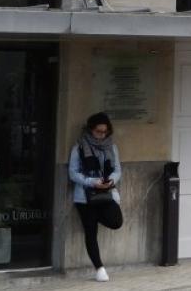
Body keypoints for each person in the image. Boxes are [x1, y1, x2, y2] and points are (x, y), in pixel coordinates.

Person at [70, 112, 124, 282]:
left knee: (116, 221)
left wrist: (110, 181)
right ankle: (99, 268)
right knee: (90, 232)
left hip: (106, 194)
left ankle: (93, 217)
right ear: (90, 130)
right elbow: (73, 173)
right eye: (98, 131)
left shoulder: (111, 147)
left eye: (105, 132)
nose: (102, 135)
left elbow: (117, 169)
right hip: (85, 197)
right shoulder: (79, 146)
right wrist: (93, 182)